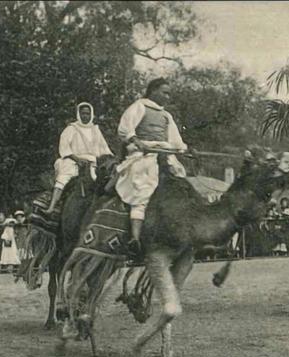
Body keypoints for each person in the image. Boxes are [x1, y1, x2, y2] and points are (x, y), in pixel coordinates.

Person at [114, 78, 188, 256]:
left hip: (164, 154)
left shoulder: (166, 115)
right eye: (165, 92)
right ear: (153, 90)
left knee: (181, 184)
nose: (167, 96)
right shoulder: (139, 106)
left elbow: (176, 140)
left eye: (169, 93)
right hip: (143, 156)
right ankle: (135, 238)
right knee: (144, 193)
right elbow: (125, 128)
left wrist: (184, 149)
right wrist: (137, 142)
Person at [44, 102, 114, 214]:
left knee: (102, 182)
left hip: (92, 162)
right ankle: (52, 206)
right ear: (78, 114)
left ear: (91, 114)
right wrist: (77, 159)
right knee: (62, 180)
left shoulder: (95, 130)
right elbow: (64, 147)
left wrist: (110, 157)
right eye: (83, 113)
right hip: (73, 160)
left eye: (87, 113)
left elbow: (104, 148)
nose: (85, 116)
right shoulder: (72, 129)